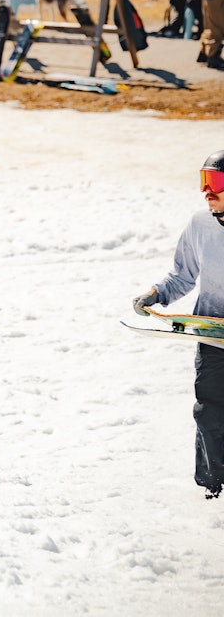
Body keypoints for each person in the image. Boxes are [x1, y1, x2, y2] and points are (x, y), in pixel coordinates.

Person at [132, 150, 224, 499]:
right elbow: (182, 274)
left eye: (215, 183)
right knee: (208, 414)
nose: (206, 191)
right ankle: (213, 488)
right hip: (214, 337)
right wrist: (157, 293)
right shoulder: (201, 225)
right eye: (204, 181)